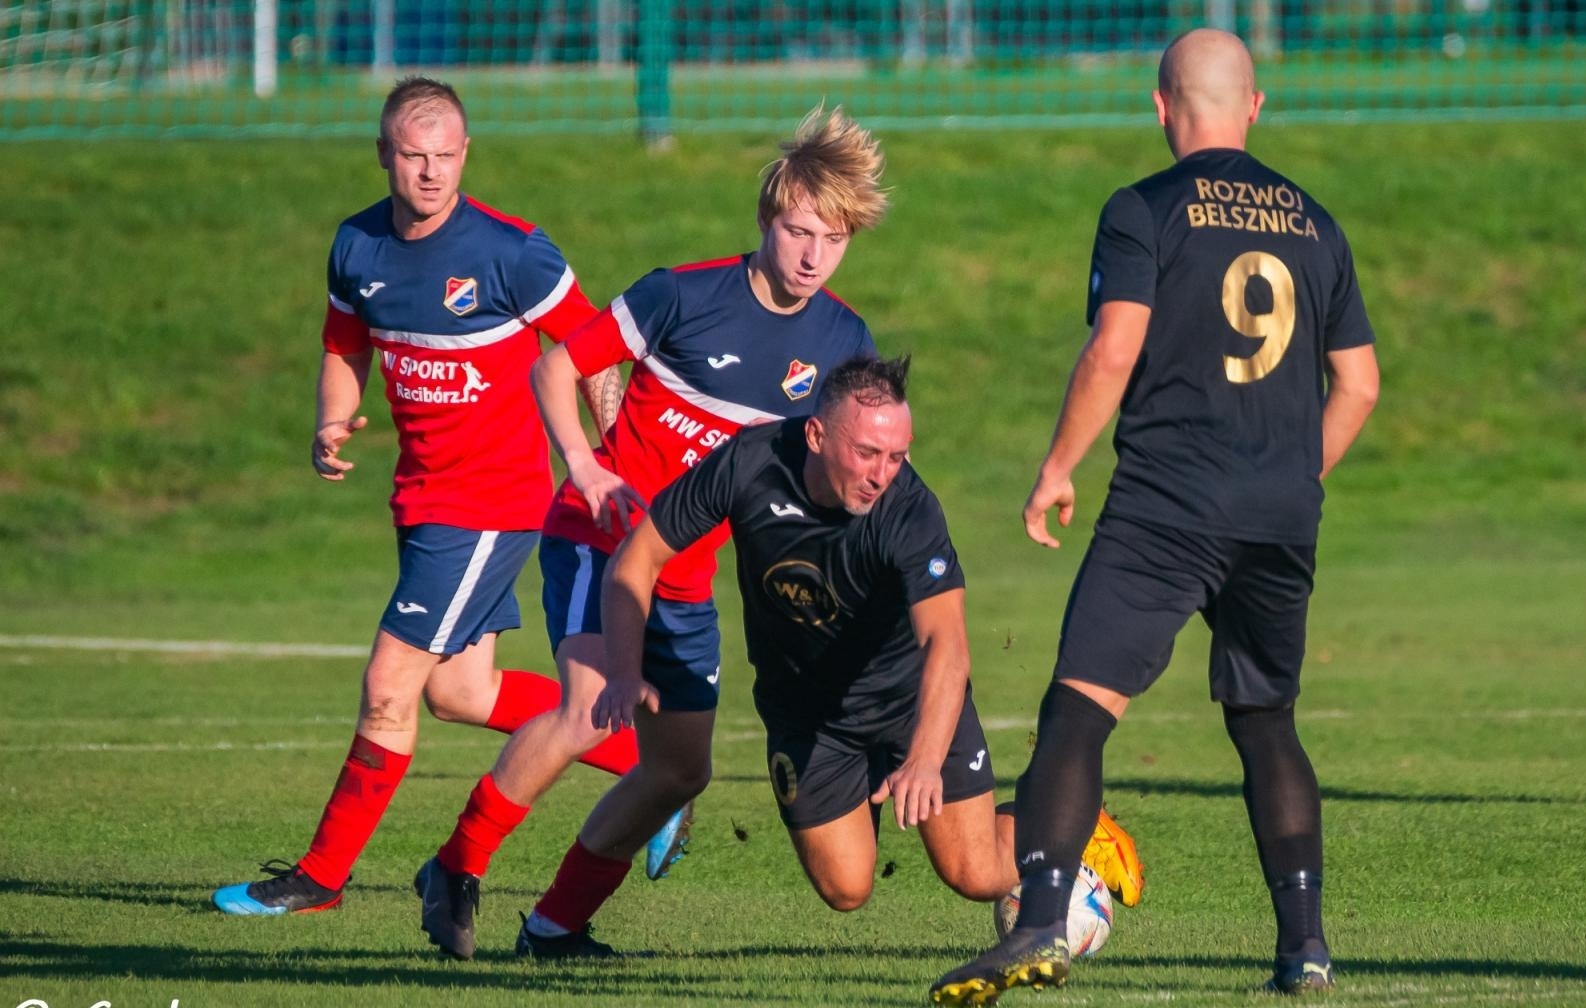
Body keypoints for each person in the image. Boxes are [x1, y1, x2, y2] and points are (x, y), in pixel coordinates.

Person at [929, 28, 1380, 1008]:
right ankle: (1305, 947)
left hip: (1168, 505)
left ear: (1160, 106)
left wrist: (1057, 466)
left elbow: (1114, 346)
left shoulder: (1143, 208)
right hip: (1279, 515)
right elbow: (1360, 384)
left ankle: (1040, 921)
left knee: (1077, 711)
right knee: (1265, 722)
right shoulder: (1317, 224)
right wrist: (1291, 474)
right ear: (1254, 106)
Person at [412, 106, 891, 961]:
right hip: (600, 537)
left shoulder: (844, 340)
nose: (813, 256)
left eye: (834, 239)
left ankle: (554, 928)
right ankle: (456, 866)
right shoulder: (683, 294)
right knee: (591, 711)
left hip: (686, 573)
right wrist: (583, 464)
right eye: (798, 232)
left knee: (680, 770)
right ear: (765, 220)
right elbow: (556, 365)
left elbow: (835, 472)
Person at [212, 75, 656, 918]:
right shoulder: (357, 247)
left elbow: (594, 349)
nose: (430, 172)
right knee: (460, 693)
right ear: (384, 154)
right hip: (421, 499)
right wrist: (331, 420)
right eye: (414, 156)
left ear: (465, 154)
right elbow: (345, 346)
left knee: (390, 685)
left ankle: (320, 877)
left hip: (492, 502)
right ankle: (650, 771)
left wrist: (611, 461)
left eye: (446, 156)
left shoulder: (512, 252)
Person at [588, 357, 1138, 929]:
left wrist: (924, 759)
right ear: (816, 435)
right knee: (846, 888)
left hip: (910, 703)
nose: (882, 474)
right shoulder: (748, 463)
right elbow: (636, 559)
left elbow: (947, 645)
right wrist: (624, 670)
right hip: (806, 714)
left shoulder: (909, 511)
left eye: (897, 456)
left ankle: (1068, 824)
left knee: (976, 873)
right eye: (867, 453)